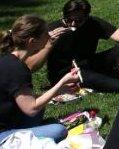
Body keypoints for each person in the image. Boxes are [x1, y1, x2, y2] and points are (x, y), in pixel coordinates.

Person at [0, 15, 77, 144]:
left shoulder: (10, 60)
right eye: (45, 34)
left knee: (41, 106)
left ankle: (29, 133)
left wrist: (56, 92)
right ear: (32, 41)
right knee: (59, 130)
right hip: (3, 135)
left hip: (9, 120)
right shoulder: (17, 69)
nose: (49, 37)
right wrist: (61, 83)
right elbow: (31, 109)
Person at [39, 0, 119, 94]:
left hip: (88, 63)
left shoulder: (94, 23)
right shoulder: (52, 30)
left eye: (78, 20)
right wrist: (48, 44)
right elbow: (33, 62)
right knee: (95, 79)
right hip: (65, 73)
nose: (73, 24)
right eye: (68, 20)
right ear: (63, 16)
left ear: (87, 17)